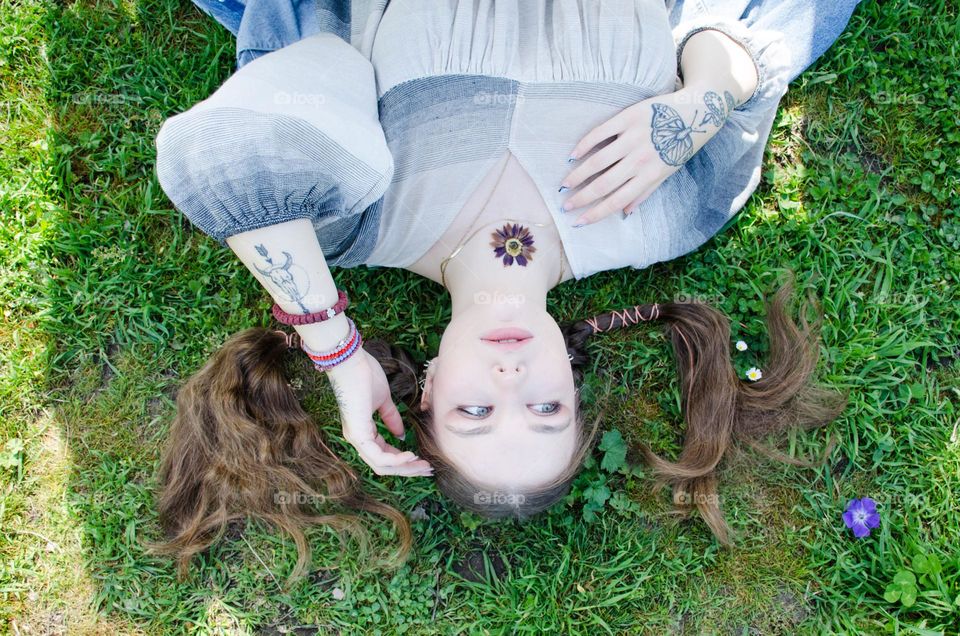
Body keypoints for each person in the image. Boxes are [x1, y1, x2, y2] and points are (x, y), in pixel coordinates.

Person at [148, 0, 861, 583]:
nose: (512, 378)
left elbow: (221, 157)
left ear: (423, 393)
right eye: (546, 408)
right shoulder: (663, 225)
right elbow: (741, 34)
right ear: (575, 388)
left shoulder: (359, 225)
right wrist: (696, 107)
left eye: (478, 409)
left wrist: (335, 349)